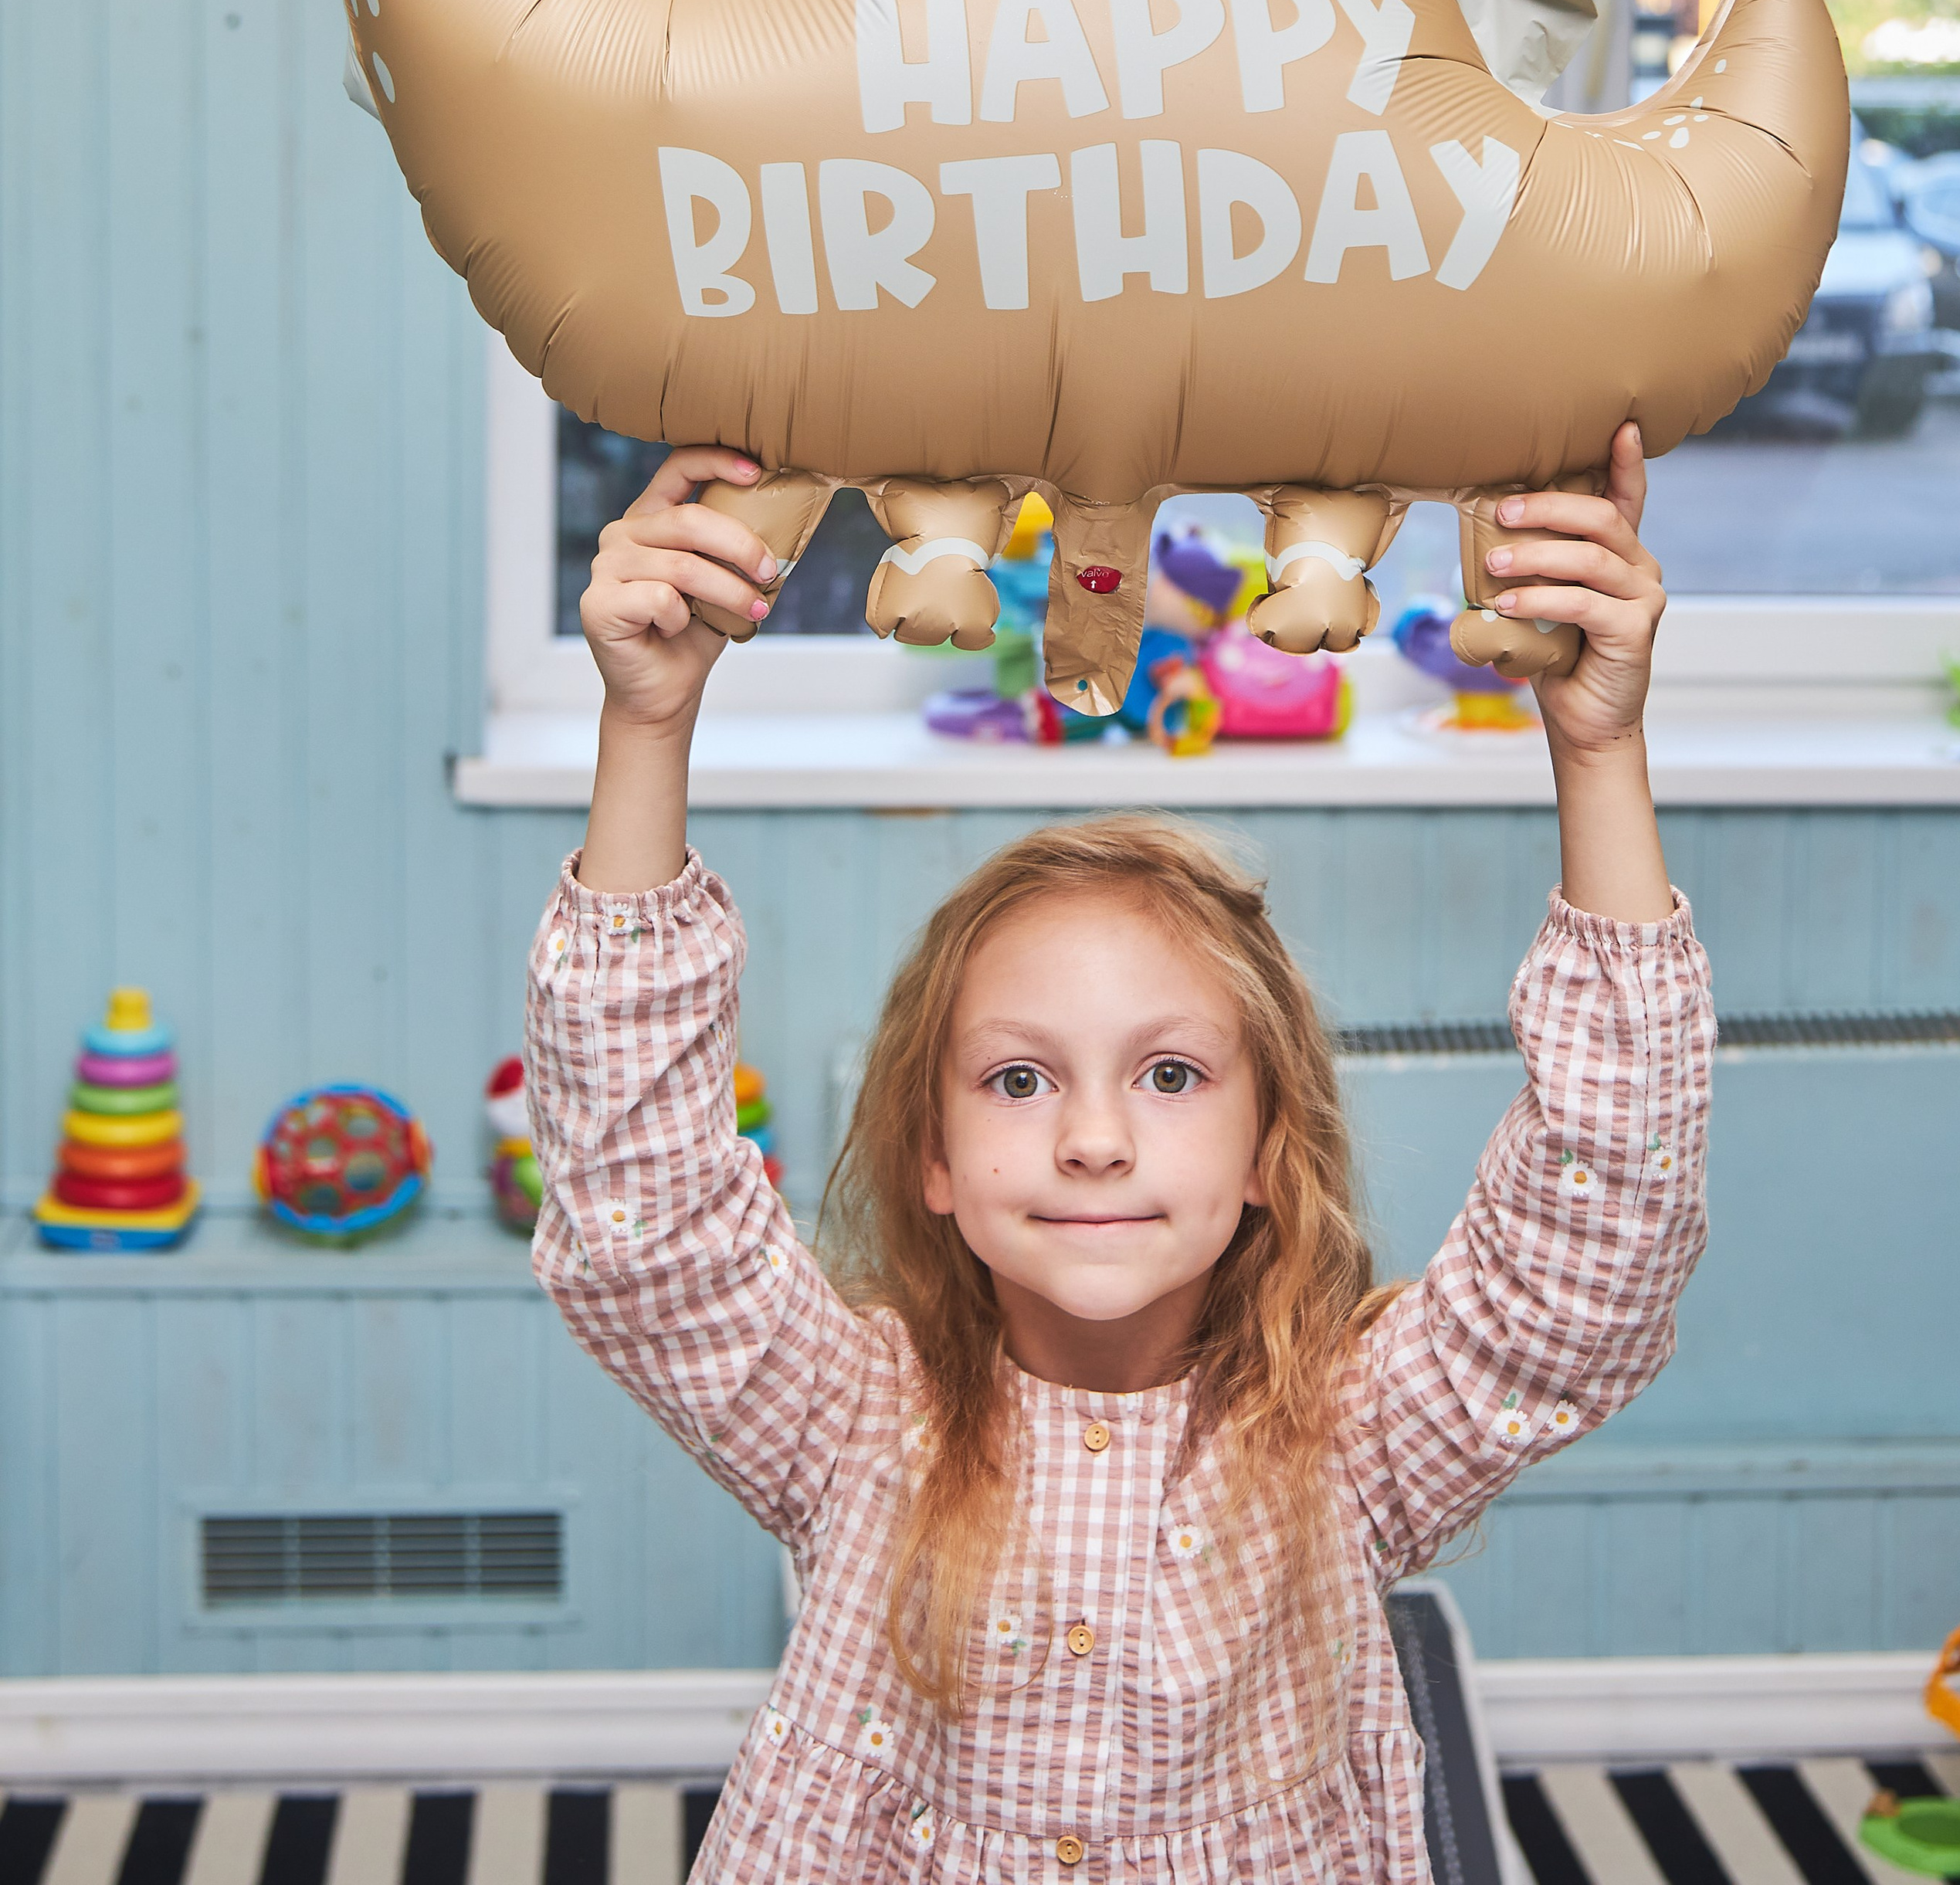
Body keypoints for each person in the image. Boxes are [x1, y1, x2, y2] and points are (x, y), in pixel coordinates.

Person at [527, 427, 1707, 1884]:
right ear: (934, 1158)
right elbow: (642, 1214)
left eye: (1168, 1074)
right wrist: (646, 726)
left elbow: (1598, 1238)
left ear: (1275, 1148)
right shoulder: (848, 1420)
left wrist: (1597, 746)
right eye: (1020, 1079)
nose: (1093, 1140)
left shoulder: (1353, 1440)